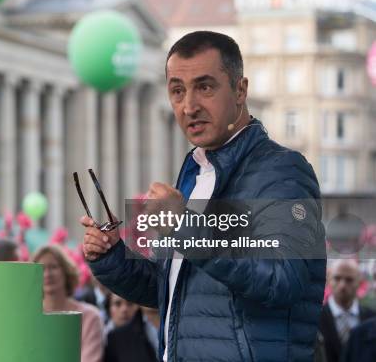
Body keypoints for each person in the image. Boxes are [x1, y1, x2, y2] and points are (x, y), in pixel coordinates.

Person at [81, 31, 326, 361]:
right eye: (177, 91)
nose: (189, 106)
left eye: (205, 86)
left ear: (240, 91)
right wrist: (112, 256)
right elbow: (172, 291)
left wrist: (183, 225)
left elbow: (282, 279)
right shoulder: (196, 174)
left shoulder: (281, 171)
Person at [33, 245, 104, 362]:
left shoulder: (90, 317)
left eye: (53, 267)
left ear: (66, 271)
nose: (47, 274)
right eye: (42, 268)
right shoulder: (27, 317)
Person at [318, 260, 374, 362]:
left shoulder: (372, 318)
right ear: (328, 279)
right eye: (337, 278)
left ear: (359, 282)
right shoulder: (315, 319)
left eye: (349, 280)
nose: (342, 285)